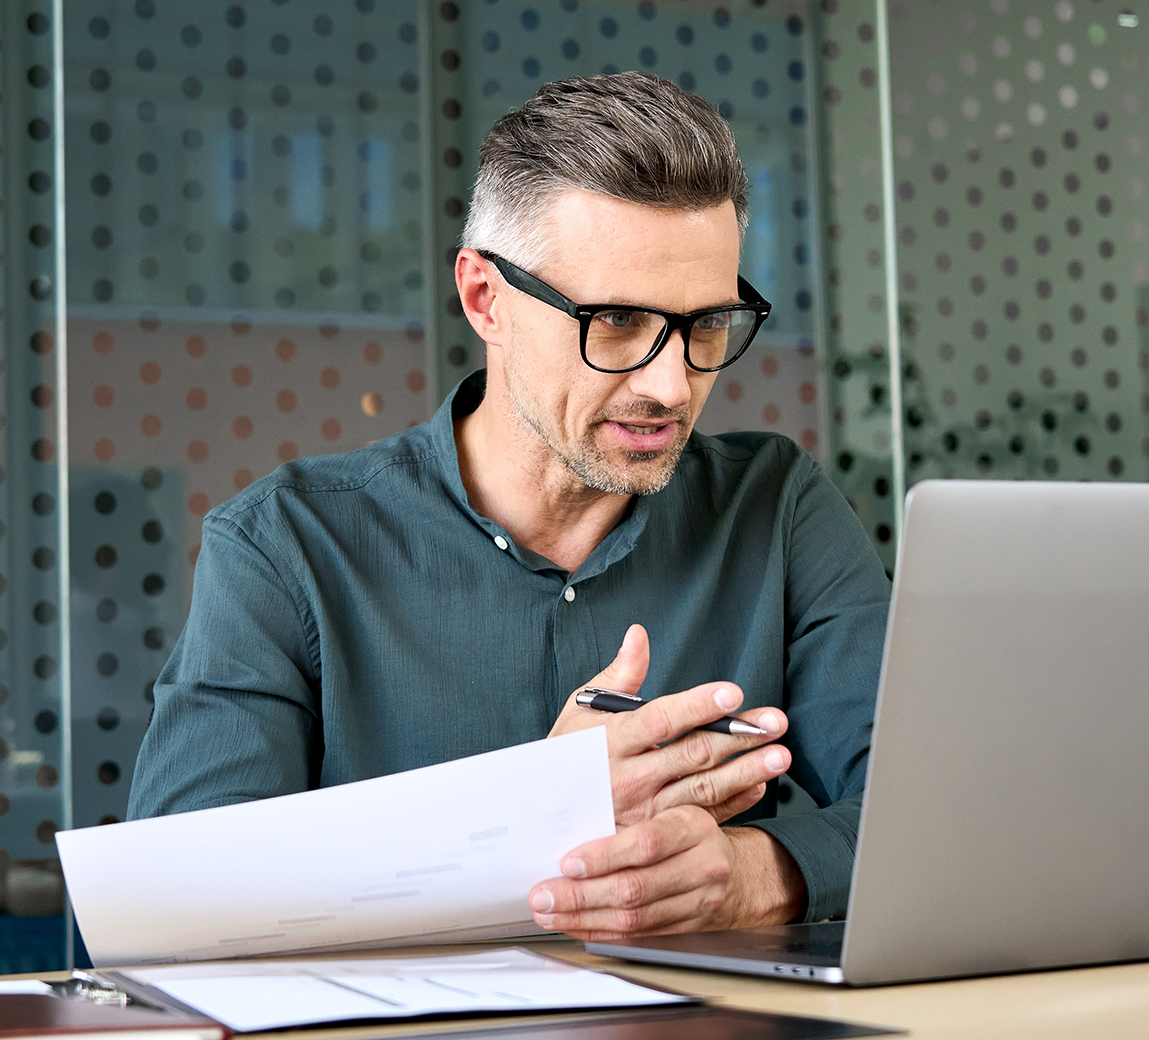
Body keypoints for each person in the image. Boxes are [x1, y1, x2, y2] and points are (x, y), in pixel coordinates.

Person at [128, 72, 891, 940]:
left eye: (707, 325)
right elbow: (173, 902)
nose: (672, 383)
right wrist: (528, 814)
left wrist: (764, 872)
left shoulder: (777, 508)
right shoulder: (286, 547)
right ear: (486, 298)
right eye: (615, 323)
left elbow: (939, 811)